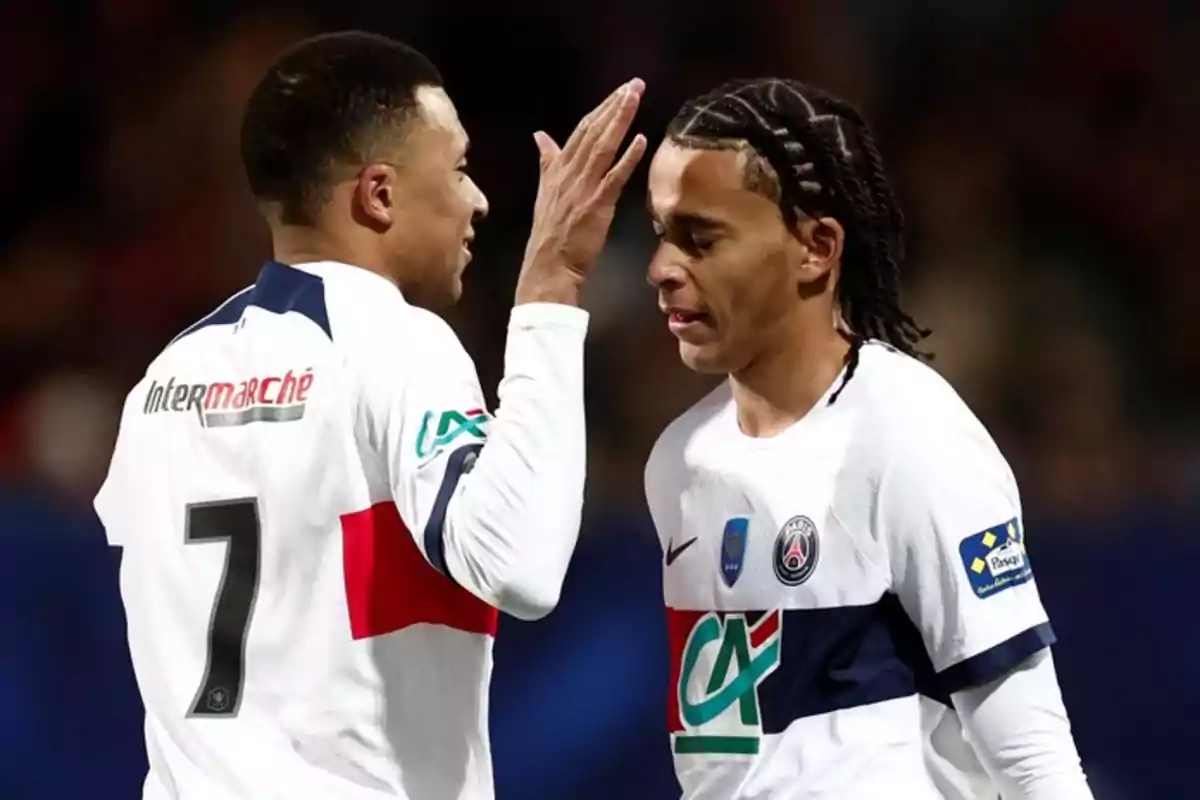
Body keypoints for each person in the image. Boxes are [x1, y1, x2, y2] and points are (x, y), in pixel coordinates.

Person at [94, 31, 647, 800]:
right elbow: (521, 563)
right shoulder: (392, 343)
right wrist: (550, 290)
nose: (479, 198)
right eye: (457, 168)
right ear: (379, 194)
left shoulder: (165, 379)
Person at [642, 78, 1092, 799]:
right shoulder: (678, 462)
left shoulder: (910, 436)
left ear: (816, 247)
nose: (662, 269)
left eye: (701, 238)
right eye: (660, 234)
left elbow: (1035, 760)